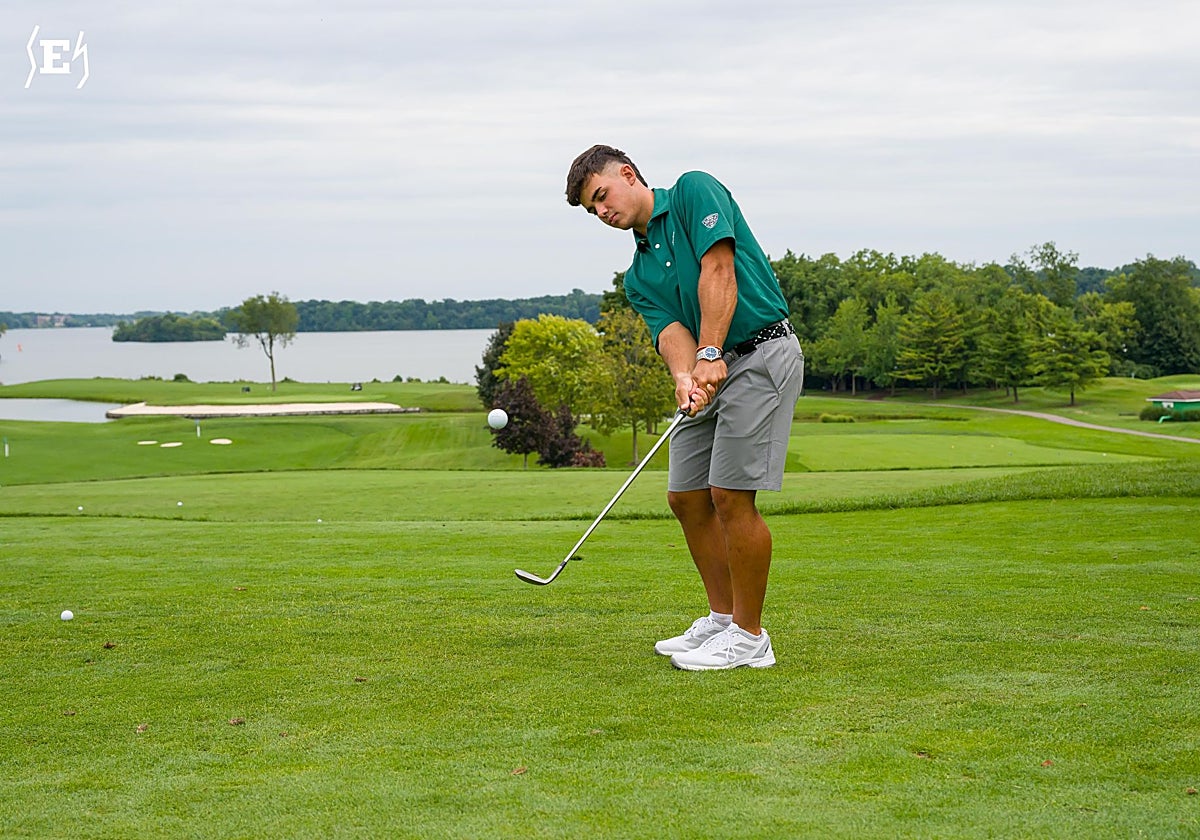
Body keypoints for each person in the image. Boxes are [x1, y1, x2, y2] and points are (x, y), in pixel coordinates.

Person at [565, 145, 804, 671]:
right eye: (592, 209)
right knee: (687, 497)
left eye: (601, 196)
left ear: (627, 175)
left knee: (729, 495)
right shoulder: (637, 275)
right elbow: (670, 331)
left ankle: (749, 636)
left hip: (761, 352)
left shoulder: (695, 190)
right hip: (707, 367)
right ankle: (721, 620)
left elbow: (719, 269)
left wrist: (711, 352)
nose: (602, 212)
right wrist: (684, 375)